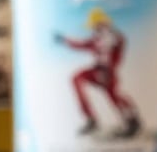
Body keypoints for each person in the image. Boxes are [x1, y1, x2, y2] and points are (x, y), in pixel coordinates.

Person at [55, 8, 142, 137]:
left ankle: (132, 120)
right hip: (97, 70)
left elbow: (119, 45)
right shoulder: (97, 39)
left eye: (96, 26)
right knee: (77, 78)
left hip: (108, 73)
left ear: (103, 24)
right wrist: (65, 41)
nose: (93, 29)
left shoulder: (114, 39)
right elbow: (82, 44)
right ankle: (91, 119)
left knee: (115, 97)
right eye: (93, 27)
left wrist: (107, 69)